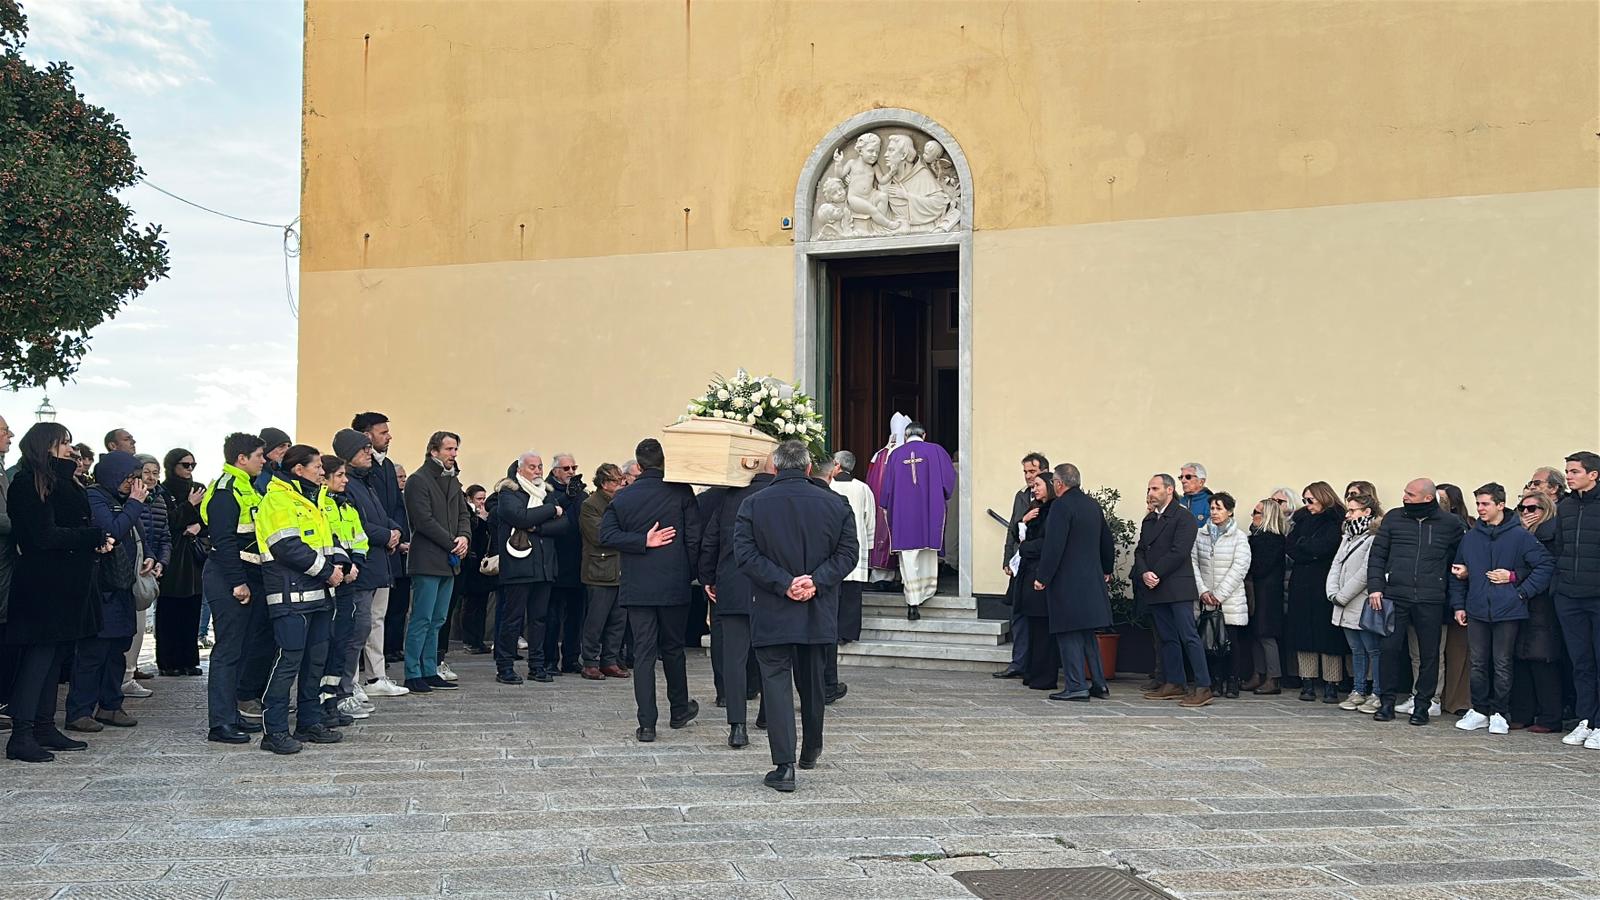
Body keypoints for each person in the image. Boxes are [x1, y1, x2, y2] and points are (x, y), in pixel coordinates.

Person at [733, 439, 858, 791]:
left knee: (775, 683)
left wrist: (784, 583)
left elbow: (745, 554)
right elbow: (849, 553)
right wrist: (816, 582)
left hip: (773, 606)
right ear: (807, 468)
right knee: (813, 680)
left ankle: (784, 765)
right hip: (817, 607)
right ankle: (812, 748)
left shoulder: (753, 504)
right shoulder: (836, 503)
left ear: (774, 467)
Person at [4, 423, 112, 761]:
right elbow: (42, 535)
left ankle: (44, 724)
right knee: (38, 657)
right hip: (44, 585)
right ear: (46, 446)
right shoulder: (29, 481)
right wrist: (92, 537)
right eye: (64, 443)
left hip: (68, 583)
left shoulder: (64, 479)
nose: (71, 448)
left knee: (55, 656)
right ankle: (22, 732)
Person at [600, 438, 701, 743]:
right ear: (664, 462)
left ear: (639, 465)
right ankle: (680, 709)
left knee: (643, 653)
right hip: (674, 583)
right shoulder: (682, 491)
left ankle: (647, 725)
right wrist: (691, 572)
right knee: (673, 649)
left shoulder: (624, 497)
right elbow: (694, 538)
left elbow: (606, 534)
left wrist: (641, 541)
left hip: (638, 585)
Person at [256, 444, 348, 754]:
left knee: (315, 662)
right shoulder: (278, 500)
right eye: (318, 466)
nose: (323, 472)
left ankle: (309, 722)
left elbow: (329, 540)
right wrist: (328, 572)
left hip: (320, 596)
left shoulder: (314, 500)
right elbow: (288, 548)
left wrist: (343, 564)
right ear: (299, 470)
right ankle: (275, 731)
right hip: (289, 597)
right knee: (288, 663)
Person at [1449, 482, 1555, 736]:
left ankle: (1499, 712)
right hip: (1476, 609)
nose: (1480, 509)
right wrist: (1458, 605)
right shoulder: (1472, 536)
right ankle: (1479, 710)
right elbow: (1457, 571)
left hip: (1508, 609)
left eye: (1485, 504)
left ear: (1500, 505)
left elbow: (1545, 566)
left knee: (1502, 662)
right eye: (1478, 504)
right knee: (1477, 662)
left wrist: (1519, 587)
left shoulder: (1520, 536)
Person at [1368, 477, 1466, 725]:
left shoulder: (1450, 523)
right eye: (1405, 492)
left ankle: (1422, 705)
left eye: (1410, 494)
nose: (1404, 496)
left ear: (1427, 498)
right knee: (1389, 650)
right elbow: (1378, 554)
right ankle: (1386, 702)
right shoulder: (1394, 518)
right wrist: (1376, 588)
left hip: (1431, 597)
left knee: (1429, 654)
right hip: (1395, 595)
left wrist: (1458, 578)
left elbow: (1459, 558)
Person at [64, 450, 147, 734]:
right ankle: (79, 711)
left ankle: (111, 705)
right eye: (129, 478)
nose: (133, 484)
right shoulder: (95, 496)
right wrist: (134, 504)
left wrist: (150, 557)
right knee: (94, 651)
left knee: (117, 649)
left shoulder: (121, 500)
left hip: (121, 586)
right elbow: (112, 529)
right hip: (101, 588)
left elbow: (137, 535)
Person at [700, 456, 776, 747]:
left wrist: (708, 577)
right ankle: (768, 715)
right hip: (771, 588)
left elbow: (711, 541)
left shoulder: (730, 498)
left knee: (734, 659)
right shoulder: (778, 497)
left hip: (731, 585)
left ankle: (737, 727)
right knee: (772, 656)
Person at [200, 433, 270, 745]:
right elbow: (224, 540)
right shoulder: (227, 490)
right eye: (259, 455)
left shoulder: (247, 486)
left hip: (248, 573)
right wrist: (238, 582)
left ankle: (232, 714)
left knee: (241, 647)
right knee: (227, 650)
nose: (264, 460)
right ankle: (220, 723)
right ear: (241, 458)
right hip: (230, 575)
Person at [1034, 464, 1115, 702]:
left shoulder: (1061, 505)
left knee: (1068, 633)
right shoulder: (1092, 505)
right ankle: (1099, 684)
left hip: (1067, 582)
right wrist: (1107, 569)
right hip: (1092, 580)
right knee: (1088, 635)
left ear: (1058, 484)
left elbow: (1054, 545)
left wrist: (1043, 577)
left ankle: (1077, 685)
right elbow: (1106, 540)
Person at [329, 429, 392, 721]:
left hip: (370, 565)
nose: (370, 452)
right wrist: (386, 534)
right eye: (364, 448)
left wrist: (395, 530)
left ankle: (349, 687)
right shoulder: (347, 487)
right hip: (357, 571)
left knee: (363, 628)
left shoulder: (366, 483)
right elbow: (361, 528)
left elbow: (379, 517)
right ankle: (345, 689)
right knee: (354, 631)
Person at [489, 453, 567, 684]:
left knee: (539, 619)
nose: (537, 471)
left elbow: (565, 524)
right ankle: (504, 667)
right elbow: (520, 517)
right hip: (518, 566)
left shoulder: (547, 492)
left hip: (544, 566)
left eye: (540, 466)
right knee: (512, 619)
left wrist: (538, 528)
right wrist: (551, 512)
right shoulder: (509, 492)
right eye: (532, 467)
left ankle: (537, 665)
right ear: (520, 469)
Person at [402, 431, 470, 694]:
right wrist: (453, 541)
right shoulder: (419, 480)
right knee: (421, 617)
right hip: (428, 559)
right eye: (449, 449)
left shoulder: (453, 480)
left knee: (438, 618)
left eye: (455, 449)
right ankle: (412, 672)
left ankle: (430, 669)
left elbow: (463, 513)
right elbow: (423, 520)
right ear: (434, 451)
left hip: (449, 560)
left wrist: (464, 536)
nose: (453, 454)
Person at [1135, 474, 1212, 707]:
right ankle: (1175, 682)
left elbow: (1179, 551)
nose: (1151, 492)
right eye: (1149, 488)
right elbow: (1140, 551)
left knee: (1189, 636)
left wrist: (1156, 573)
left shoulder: (1183, 517)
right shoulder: (1149, 519)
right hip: (1155, 587)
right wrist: (1144, 573)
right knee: (1167, 638)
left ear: (1169, 490)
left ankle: (1203, 685)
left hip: (1176, 585)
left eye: (1155, 488)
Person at [351, 412, 407, 698]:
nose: (389, 436)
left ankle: (377, 676)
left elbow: (393, 506)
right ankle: (352, 681)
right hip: (365, 555)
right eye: (382, 432)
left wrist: (396, 532)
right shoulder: (351, 475)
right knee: (358, 621)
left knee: (377, 618)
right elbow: (358, 517)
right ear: (366, 436)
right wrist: (386, 535)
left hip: (386, 551)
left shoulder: (383, 467)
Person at [878, 422, 956, 620]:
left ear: (905, 436)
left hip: (903, 513)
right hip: (930, 510)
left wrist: (886, 503)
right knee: (928, 552)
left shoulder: (895, 455)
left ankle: (912, 600)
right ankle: (928, 591)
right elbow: (949, 481)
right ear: (924, 435)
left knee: (908, 555)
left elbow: (886, 488)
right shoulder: (936, 451)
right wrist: (942, 494)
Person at [316, 454, 370, 727]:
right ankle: (320, 702)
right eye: (339, 475)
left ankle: (332, 700)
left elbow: (360, 540)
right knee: (325, 644)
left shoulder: (347, 506)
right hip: (327, 580)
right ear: (323, 478)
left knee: (343, 641)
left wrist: (355, 564)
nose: (345, 480)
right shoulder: (319, 505)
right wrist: (339, 568)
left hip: (349, 579)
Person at [1286, 482, 1347, 704]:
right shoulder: (1301, 520)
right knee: (1303, 632)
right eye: (1304, 500)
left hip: (1325, 581)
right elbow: (1291, 547)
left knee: (1327, 633)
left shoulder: (1336, 519)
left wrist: (1307, 547)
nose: (1307, 505)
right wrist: (1307, 548)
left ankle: (1332, 683)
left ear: (1323, 498)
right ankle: (1307, 681)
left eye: (1310, 500)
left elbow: (1327, 547)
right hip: (1301, 582)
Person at [1556, 451, 1600, 748]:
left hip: (1597, 596)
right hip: (1568, 596)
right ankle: (1586, 719)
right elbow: (1560, 547)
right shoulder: (1566, 506)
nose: (1568, 476)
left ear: (1593, 474)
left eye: (1574, 471)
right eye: (1568, 471)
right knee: (1580, 662)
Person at [1510, 490, 1564, 733]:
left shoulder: (1550, 535)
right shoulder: (1517, 535)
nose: (1526, 513)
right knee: (1519, 657)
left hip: (1542, 602)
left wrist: (1523, 588)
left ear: (1546, 510)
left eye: (1532, 509)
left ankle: (1550, 716)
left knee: (1542, 658)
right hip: (1518, 601)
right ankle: (1523, 712)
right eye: (1522, 508)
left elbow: (1545, 568)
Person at [827, 449, 875, 702]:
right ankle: (848, 631)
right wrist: (867, 544)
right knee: (852, 593)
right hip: (855, 548)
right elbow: (870, 520)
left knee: (836, 591)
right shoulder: (863, 488)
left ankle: (833, 631)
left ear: (836, 466)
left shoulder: (828, 487)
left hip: (832, 550)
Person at [1192, 492, 1251, 699]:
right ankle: (1215, 680)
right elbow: (1193, 563)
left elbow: (1240, 567)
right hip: (1207, 597)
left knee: (1231, 641)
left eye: (1219, 508)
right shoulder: (1201, 534)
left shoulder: (1239, 537)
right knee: (1210, 640)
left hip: (1230, 599)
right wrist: (1203, 591)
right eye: (1212, 508)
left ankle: (1233, 680)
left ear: (1230, 511)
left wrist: (1219, 594)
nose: (1214, 513)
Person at [1327, 493, 1382, 713]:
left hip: (1361, 601)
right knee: (1356, 649)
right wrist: (1332, 591)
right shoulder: (1347, 536)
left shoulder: (1373, 537)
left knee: (1373, 649)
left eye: (1353, 510)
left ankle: (1377, 692)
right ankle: (1358, 690)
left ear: (1367, 512)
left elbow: (1366, 572)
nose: (1348, 514)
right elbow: (1336, 565)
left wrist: (1343, 595)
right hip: (1342, 601)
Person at [996, 452, 1048, 680]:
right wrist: (1008, 558)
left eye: (1032, 472)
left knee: (1035, 616)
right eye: (1025, 472)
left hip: (1038, 565)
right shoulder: (1021, 496)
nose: (1028, 477)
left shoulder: (1050, 500)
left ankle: (1035, 663)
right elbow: (1013, 526)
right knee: (1017, 612)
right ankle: (1018, 661)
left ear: (1044, 472)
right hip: (1020, 562)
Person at [155, 448, 206, 678]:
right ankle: (168, 662)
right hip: (173, 557)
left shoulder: (198, 489)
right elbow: (167, 522)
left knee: (192, 608)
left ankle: (188, 660)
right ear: (172, 466)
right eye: (185, 465)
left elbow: (210, 519)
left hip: (193, 558)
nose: (189, 470)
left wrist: (198, 526)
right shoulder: (163, 491)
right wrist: (189, 505)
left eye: (192, 465)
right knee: (169, 610)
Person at [579, 463, 629, 679]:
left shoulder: (624, 501)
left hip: (622, 569)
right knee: (596, 620)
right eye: (616, 481)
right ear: (604, 483)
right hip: (600, 569)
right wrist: (625, 536)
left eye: (621, 480)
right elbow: (600, 536)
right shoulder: (591, 504)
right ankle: (590, 661)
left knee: (619, 620)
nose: (621, 484)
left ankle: (610, 660)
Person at [1012, 474, 1057, 690]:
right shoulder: (1034, 508)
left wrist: (1025, 548)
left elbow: (1045, 543)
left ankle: (1043, 675)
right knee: (1031, 626)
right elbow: (1017, 534)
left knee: (1042, 629)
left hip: (1040, 575)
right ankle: (1030, 671)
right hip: (1027, 574)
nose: (1035, 488)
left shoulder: (1054, 510)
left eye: (1038, 485)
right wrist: (1024, 521)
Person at [544, 453, 588, 675]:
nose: (571, 471)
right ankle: (549, 660)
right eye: (566, 468)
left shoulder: (580, 492)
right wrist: (568, 497)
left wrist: (579, 495)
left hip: (578, 562)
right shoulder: (546, 490)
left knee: (575, 616)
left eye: (574, 467)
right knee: (552, 616)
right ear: (555, 471)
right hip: (555, 561)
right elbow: (548, 514)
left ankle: (571, 658)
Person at [127, 454, 168, 685]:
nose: (151, 477)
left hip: (151, 567)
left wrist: (161, 561)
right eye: (146, 472)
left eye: (155, 472)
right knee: (132, 624)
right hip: (135, 564)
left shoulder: (159, 500)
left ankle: (130, 670)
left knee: (140, 625)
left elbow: (165, 536)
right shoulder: (131, 499)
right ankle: (126, 674)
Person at [1435, 482, 1475, 715]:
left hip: (1457, 594)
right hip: (1441, 594)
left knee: (1459, 651)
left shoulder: (1461, 528)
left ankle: (1458, 701)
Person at [1243, 499, 1288, 695]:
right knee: (1256, 634)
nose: (1253, 515)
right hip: (1257, 591)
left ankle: (1273, 677)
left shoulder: (1272, 539)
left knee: (1266, 635)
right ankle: (1258, 673)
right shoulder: (1257, 537)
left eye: (1257, 512)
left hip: (1267, 593)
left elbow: (1260, 567)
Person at [864, 413, 909, 584]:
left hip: (878, 502)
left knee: (881, 533)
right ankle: (899, 576)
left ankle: (880, 576)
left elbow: (871, 479)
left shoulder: (878, 455)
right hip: (897, 503)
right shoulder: (903, 455)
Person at [457, 484, 495, 655]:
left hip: (483, 564)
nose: (482, 502)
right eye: (479, 499)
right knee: (471, 604)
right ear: (470, 499)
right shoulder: (469, 515)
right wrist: (479, 519)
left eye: (484, 498)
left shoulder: (485, 515)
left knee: (481, 604)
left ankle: (478, 640)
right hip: (471, 564)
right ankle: (470, 640)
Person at [1176, 462, 1214, 527]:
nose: (1183, 480)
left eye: (1188, 477)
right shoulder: (1177, 502)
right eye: (1181, 477)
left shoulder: (1212, 502)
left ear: (1201, 482)